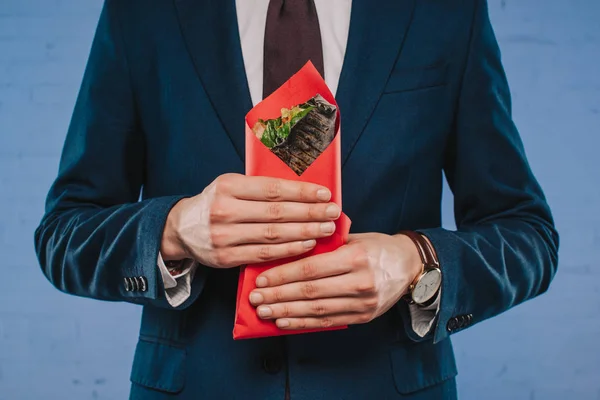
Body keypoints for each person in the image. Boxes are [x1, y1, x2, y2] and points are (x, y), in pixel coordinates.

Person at [34, 0, 559, 399]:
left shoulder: (444, 12)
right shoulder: (142, 14)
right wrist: (174, 229)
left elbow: (526, 232)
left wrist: (416, 262)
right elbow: (65, 231)